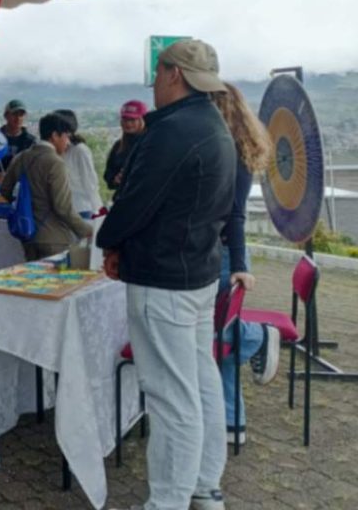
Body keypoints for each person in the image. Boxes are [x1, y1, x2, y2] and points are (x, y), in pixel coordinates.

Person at [98, 39, 236, 510]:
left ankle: (168, 502)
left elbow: (136, 201)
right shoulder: (213, 123)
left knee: (170, 398)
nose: (153, 82)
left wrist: (110, 241)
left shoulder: (173, 130)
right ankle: (204, 485)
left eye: (158, 72)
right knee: (199, 382)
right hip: (197, 272)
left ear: (174, 73)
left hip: (164, 278)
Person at [211, 83, 280, 444]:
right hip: (221, 253)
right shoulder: (230, 149)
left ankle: (259, 334)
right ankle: (232, 423)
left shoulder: (233, 155)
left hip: (226, 255)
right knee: (219, 345)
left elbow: (235, 216)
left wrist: (240, 265)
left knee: (219, 331)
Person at [0, 113, 94, 261]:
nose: (68, 142)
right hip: (54, 237)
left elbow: (5, 190)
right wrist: (87, 230)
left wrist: (27, 206)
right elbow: (62, 207)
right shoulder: (55, 162)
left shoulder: (21, 157)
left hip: (28, 234)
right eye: (66, 136)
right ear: (55, 136)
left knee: (33, 275)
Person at [54, 109, 103, 219]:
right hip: (60, 208)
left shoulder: (79, 150)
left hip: (81, 208)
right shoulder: (53, 150)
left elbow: (90, 182)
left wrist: (97, 209)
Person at [0, 99, 36, 181]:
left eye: (21, 114)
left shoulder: (31, 142)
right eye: (14, 114)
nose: (18, 118)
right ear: (6, 116)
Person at [104, 100, 148, 191]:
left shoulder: (149, 144)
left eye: (132, 120)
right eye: (125, 119)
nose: (128, 123)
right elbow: (108, 173)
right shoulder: (118, 146)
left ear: (142, 120)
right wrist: (115, 179)